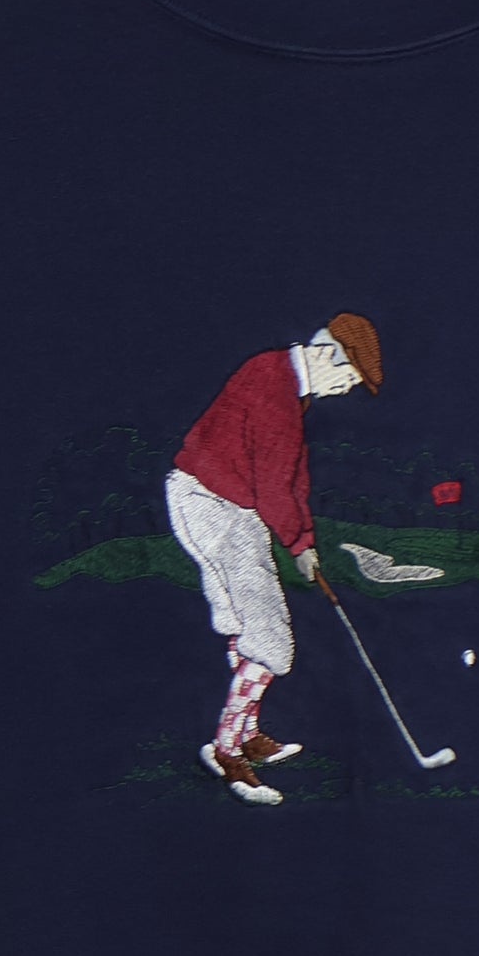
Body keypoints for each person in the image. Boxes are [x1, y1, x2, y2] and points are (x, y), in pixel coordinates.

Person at [165, 313, 382, 802]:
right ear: (328, 355)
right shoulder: (273, 386)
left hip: (205, 500)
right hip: (218, 505)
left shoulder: (285, 384)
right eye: (349, 377)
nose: (347, 389)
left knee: (244, 624)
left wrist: (305, 542)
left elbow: (292, 478)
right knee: (270, 638)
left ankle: (245, 735)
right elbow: (272, 488)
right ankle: (226, 751)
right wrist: (298, 543)